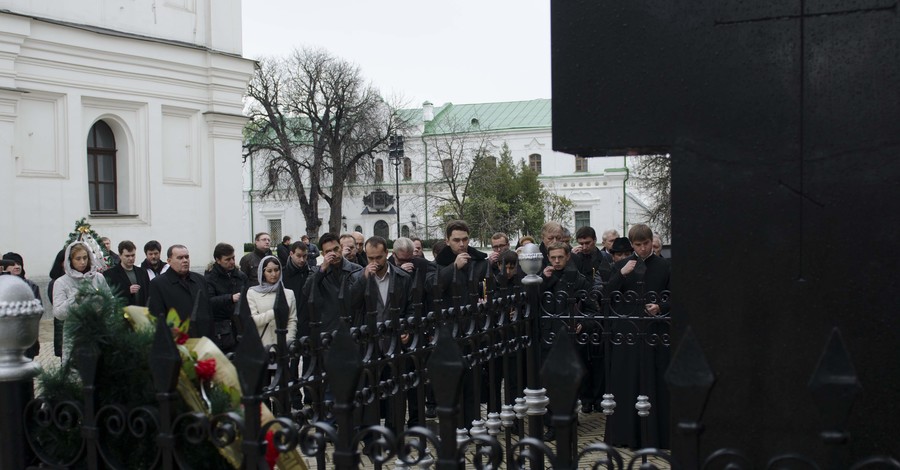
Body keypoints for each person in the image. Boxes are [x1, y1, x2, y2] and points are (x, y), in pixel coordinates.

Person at [603, 224, 670, 449]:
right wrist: (621, 275)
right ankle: (625, 436)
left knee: (654, 382)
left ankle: (656, 437)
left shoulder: (665, 266)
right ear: (632, 245)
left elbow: (677, 295)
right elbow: (605, 296)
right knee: (626, 382)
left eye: (646, 244)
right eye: (638, 245)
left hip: (655, 333)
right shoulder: (622, 265)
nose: (642, 249)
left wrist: (660, 306)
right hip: (627, 333)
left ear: (652, 241)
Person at [428, 220, 489, 428]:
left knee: (473, 380)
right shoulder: (439, 263)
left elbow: (488, 287)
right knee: (451, 379)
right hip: (449, 329)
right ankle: (453, 424)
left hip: (473, 327)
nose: (461, 244)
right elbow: (433, 288)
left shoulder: (479, 261)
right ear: (447, 241)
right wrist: (453, 267)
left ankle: (472, 422)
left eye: (464, 239)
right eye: (456, 240)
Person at [357, 236, 416, 432]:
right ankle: (371, 436)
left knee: (396, 392)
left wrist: (406, 327)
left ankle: (395, 433)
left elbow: (410, 308)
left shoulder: (402, 277)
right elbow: (349, 305)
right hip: (369, 344)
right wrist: (363, 279)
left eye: (379, 258)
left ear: (387, 255)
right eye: (370, 258)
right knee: (370, 392)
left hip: (395, 342)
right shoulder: (359, 277)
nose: (374, 263)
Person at [540, 241, 597, 440]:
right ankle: (552, 424)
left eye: (560, 257)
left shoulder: (579, 280)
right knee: (548, 382)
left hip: (569, 340)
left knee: (569, 383)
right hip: (546, 338)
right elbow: (529, 304)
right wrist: (543, 281)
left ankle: (568, 421)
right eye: (553, 257)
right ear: (548, 258)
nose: (556, 261)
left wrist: (582, 324)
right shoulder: (541, 278)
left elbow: (593, 310)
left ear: (568, 256)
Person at [148, 245, 213, 339]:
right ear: (169, 261)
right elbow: (157, 317)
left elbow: (208, 311)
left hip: (202, 338)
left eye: (187, 257)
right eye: (180, 258)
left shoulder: (200, 280)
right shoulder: (158, 284)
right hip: (178, 341)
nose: (185, 260)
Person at [205, 243, 248, 353]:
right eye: (227, 259)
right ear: (218, 260)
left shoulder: (240, 276)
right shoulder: (210, 278)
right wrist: (230, 298)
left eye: (233, 258)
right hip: (221, 329)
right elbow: (209, 302)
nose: (232, 262)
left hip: (240, 326)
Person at [247, 256, 297, 347]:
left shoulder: (289, 293)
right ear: (263, 273)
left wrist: (288, 341)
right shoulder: (252, 293)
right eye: (269, 271)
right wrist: (274, 312)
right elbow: (252, 320)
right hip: (262, 346)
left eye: (276, 270)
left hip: (283, 346)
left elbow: (292, 320)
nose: (273, 274)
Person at [53, 241, 109, 321]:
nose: (82, 262)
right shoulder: (61, 282)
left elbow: (110, 300)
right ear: (70, 260)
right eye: (78, 259)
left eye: (85, 258)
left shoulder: (98, 277)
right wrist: (74, 298)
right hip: (75, 329)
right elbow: (59, 314)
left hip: (99, 327)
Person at [3, 252, 42, 358]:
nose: (17, 266)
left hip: (25, 336)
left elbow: (37, 311)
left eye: (19, 263)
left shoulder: (31, 286)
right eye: (13, 264)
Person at [103, 240, 150, 306]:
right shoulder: (110, 274)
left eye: (133, 255)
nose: (131, 258)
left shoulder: (142, 272)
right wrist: (127, 291)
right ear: (120, 255)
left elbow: (148, 294)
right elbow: (108, 296)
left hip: (141, 313)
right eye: (127, 256)